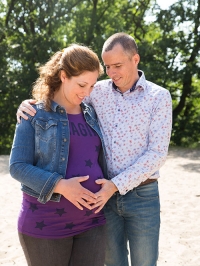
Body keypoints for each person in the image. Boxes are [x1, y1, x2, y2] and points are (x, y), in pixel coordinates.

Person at [17, 32, 172, 266]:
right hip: (102, 198)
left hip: (142, 194)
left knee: (145, 263)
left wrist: (116, 185)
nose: (112, 73)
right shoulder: (96, 91)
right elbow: (60, 102)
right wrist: (29, 104)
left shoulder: (158, 97)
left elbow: (158, 153)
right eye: (107, 66)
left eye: (117, 65)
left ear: (135, 59)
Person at [10, 44, 109, 266]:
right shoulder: (34, 113)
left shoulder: (91, 112)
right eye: (82, 84)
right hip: (46, 225)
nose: (87, 93)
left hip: (93, 222)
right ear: (63, 76)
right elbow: (17, 167)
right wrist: (61, 185)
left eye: (92, 86)